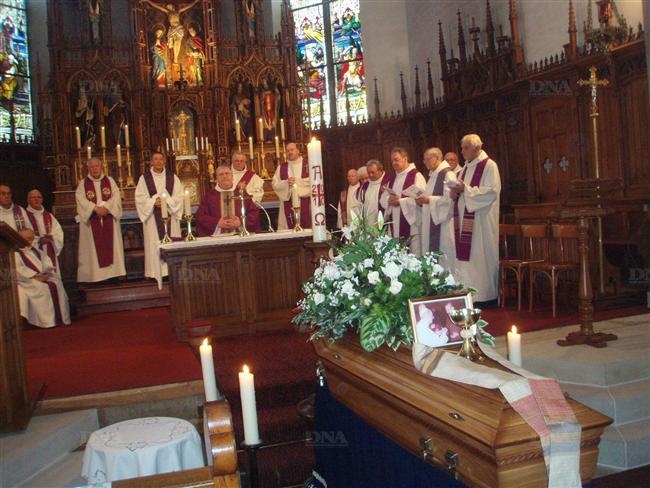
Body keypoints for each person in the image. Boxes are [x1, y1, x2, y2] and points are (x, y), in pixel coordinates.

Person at [450, 134, 501, 305]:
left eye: (465, 148)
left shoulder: (489, 166)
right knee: (468, 258)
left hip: (481, 221)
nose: (462, 151)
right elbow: (462, 191)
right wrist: (455, 192)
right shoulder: (465, 167)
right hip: (465, 219)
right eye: (462, 147)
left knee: (480, 256)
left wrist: (467, 190)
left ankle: (485, 296)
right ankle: (467, 294)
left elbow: (491, 192)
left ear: (477, 148)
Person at [135, 151, 183, 283]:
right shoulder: (144, 179)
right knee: (153, 243)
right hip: (152, 219)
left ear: (164, 162)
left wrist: (166, 201)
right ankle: (154, 273)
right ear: (151, 162)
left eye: (161, 159)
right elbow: (140, 198)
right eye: (155, 159)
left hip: (170, 217)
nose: (158, 162)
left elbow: (179, 197)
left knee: (171, 241)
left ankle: (171, 271)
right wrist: (153, 202)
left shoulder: (173, 177)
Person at [76, 157, 126, 282]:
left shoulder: (110, 181)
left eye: (97, 166)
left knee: (112, 246)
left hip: (109, 218)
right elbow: (81, 200)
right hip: (93, 220)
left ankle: (114, 275)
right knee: (93, 250)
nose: (95, 169)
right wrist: (94, 208)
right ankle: (95, 277)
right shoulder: (83, 184)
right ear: (88, 168)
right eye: (92, 167)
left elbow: (116, 197)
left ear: (101, 167)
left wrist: (106, 208)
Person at [15, 228, 70, 328]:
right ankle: (45, 321)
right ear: (19, 238)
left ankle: (61, 318)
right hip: (26, 280)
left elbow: (47, 263)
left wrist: (47, 273)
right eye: (27, 238)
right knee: (41, 287)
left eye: (31, 238)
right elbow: (17, 269)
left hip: (41, 277)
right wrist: (35, 276)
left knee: (56, 282)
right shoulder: (15, 253)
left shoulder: (36, 251)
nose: (30, 241)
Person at [413, 148, 456, 271]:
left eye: (427, 159)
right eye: (424, 159)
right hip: (431, 221)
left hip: (443, 224)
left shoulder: (447, 174)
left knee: (444, 254)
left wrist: (428, 200)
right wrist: (422, 199)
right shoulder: (434, 174)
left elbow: (450, 199)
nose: (424, 162)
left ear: (437, 158)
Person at [379, 147, 426, 252]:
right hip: (395, 224)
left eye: (396, 160)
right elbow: (382, 199)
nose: (394, 163)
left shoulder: (416, 176)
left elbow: (421, 199)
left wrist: (400, 202)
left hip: (411, 223)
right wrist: (388, 200)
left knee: (413, 252)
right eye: (392, 161)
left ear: (405, 159)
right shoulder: (393, 178)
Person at [196, 164, 260, 236]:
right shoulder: (209, 196)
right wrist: (217, 223)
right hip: (217, 238)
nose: (224, 176)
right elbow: (200, 216)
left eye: (227, 173)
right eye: (221, 174)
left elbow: (254, 213)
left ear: (232, 177)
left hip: (240, 236)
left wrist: (241, 222)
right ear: (216, 179)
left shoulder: (241, 194)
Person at [272, 142, 311, 230]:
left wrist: (296, 182)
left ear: (298, 150)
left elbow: (313, 182)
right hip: (287, 202)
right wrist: (286, 183)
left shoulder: (308, 164)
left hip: (306, 202)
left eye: (292, 150)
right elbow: (275, 185)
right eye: (287, 151)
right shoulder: (281, 167)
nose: (290, 152)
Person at [25, 189, 64, 275]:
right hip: (34, 252)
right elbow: (24, 235)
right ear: (28, 200)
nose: (36, 199)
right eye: (33, 197)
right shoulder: (24, 215)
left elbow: (58, 232)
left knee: (53, 276)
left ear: (42, 200)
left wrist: (52, 238)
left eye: (39, 197)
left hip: (49, 249)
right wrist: (38, 241)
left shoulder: (48, 215)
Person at [357, 159, 386, 225]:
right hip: (368, 224)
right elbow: (359, 205)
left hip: (384, 223)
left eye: (373, 172)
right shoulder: (365, 186)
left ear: (380, 170)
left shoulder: (388, 182)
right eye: (369, 172)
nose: (370, 175)